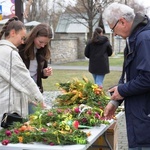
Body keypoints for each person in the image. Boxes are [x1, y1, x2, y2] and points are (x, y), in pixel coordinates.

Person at [103, 2, 150, 149]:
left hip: (145, 117)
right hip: (139, 116)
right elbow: (127, 77)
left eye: (113, 29)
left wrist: (122, 90)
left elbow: (147, 78)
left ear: (122, 21)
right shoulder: (135, 38)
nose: (115, 34)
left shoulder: (144, 39)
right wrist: (115, 101)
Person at [0, 16, 45, 129]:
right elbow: (25, 81)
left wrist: (31, 100)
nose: (22, 41)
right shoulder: (9, 53)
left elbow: (14, 81)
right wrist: (40, 101)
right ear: (13, 33)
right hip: (9, 109)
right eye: (22, 37)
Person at [18, 23, 53, 114]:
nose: (43, 45)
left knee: (35, 118)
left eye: (46, 43)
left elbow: (40, 72)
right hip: (21, 91)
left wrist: (45, 73)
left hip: (36, 90)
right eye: (40, 42)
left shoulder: (43, 51)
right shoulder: (20, 49)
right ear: (34, 36)